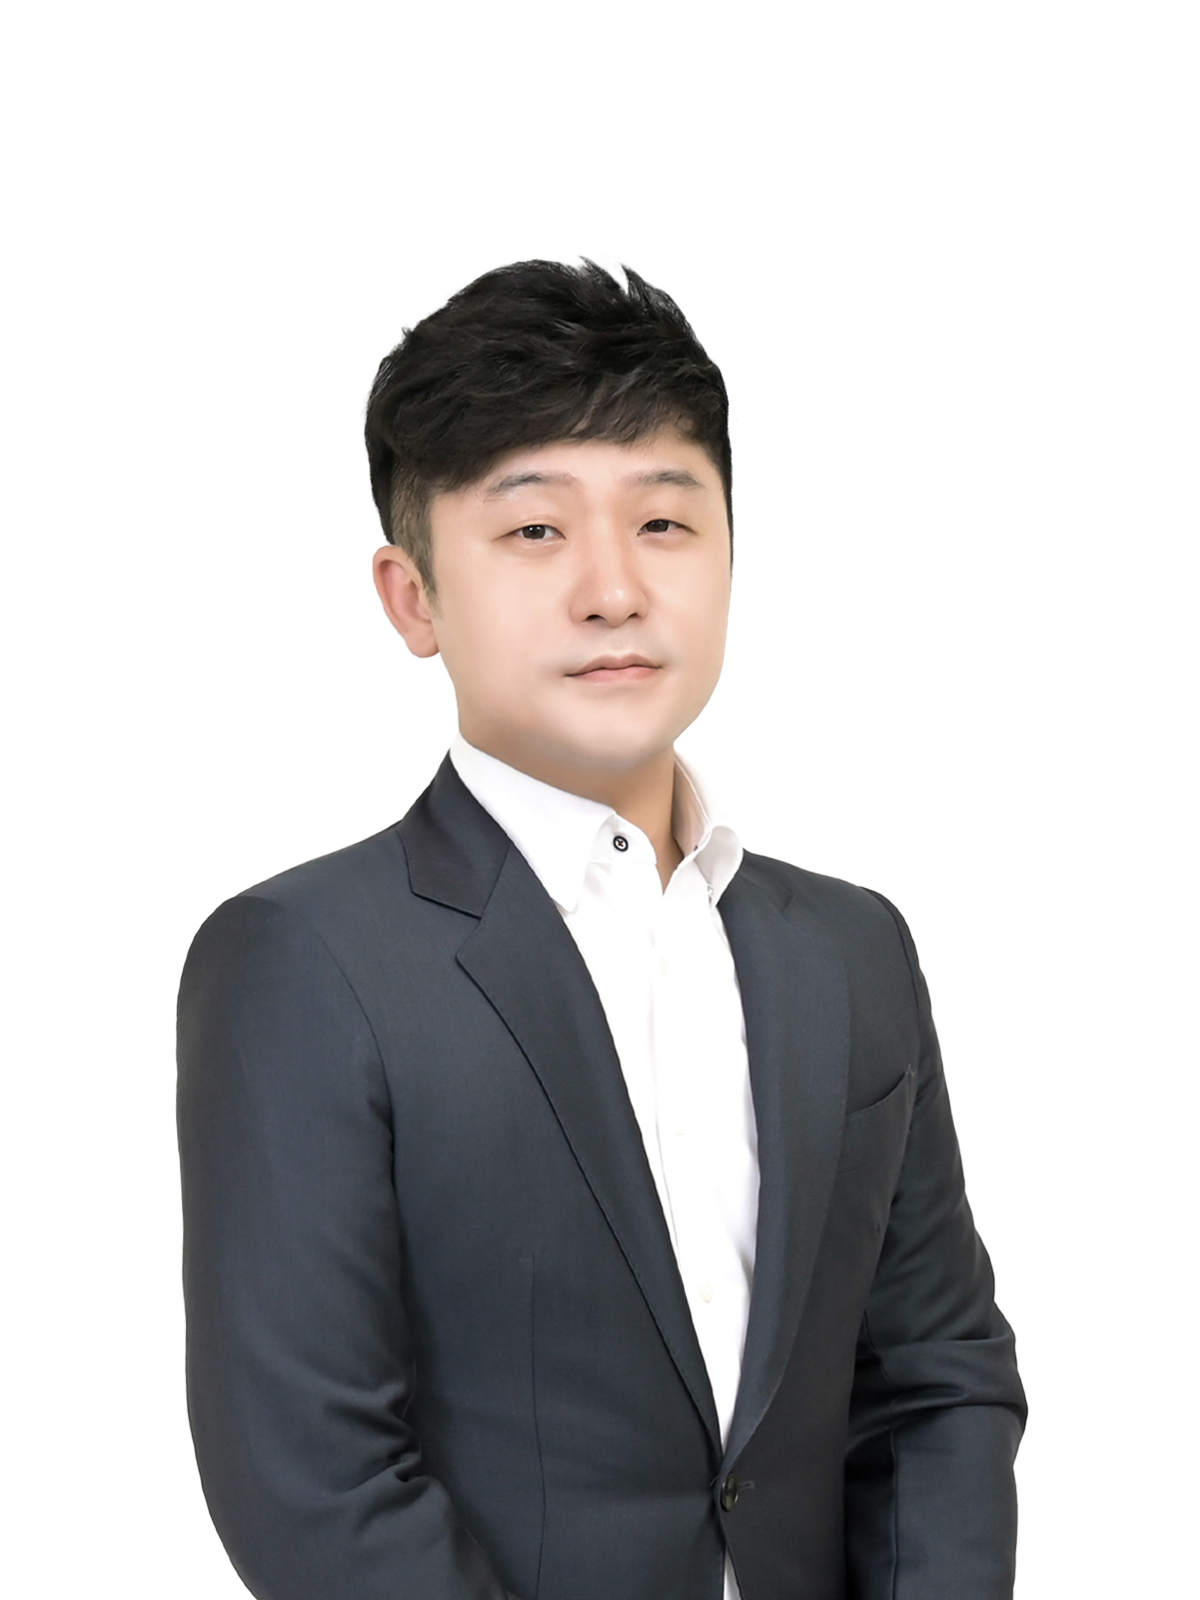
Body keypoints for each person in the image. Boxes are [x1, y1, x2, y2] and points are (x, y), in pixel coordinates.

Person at [176, 253, 1026, 1600]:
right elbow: (310, 1475)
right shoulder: (304, 961)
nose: (613, 589)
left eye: (665, 522)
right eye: (534, 530)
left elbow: (935, 1380)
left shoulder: (853, 949)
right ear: (412, 598)